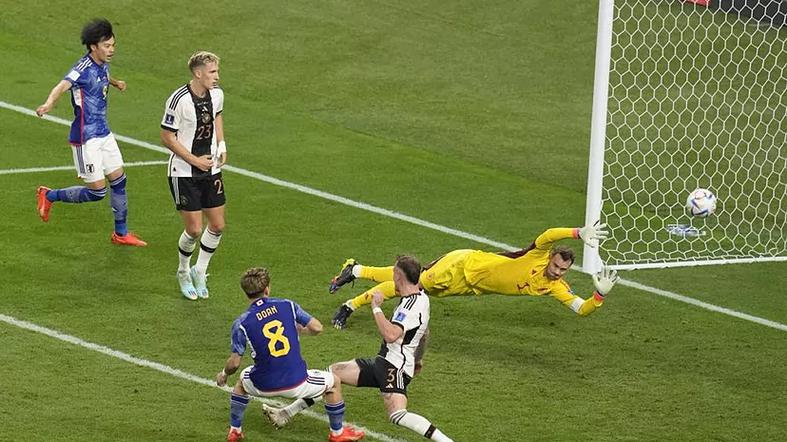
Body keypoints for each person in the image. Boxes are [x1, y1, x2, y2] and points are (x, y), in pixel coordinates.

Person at [264, 256, 453, 442]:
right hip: (386, 361)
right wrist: (418, 358)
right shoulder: (421, 298)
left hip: (394, 368)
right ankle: (285, 414)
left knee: (397, 414)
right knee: (332, 375)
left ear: (397, 276)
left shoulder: (410, 306)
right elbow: (424, 334)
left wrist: (376, 307)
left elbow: (391, 334)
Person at [329, 224, 618, 329]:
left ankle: (354, 270)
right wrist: (578, 233)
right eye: (555, 265)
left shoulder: (555, 288)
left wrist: (599, 296)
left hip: (467, 288)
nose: (556, 271)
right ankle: (350, 305)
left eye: (562, 270)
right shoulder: (538, 254)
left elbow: (580, 308)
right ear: (552, 257)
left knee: (410, 283)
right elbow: (547, 235)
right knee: (410, 287)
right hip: (462, 264)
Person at [215, 267, 365, 442]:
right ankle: (337, 433)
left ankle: (235, 430)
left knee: (241, 383)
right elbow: (317, 327)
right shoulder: (286, 305)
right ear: (267, 289)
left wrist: (224, 374)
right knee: (334, 383)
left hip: (262, 385)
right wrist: (297, 331)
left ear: (246, 293)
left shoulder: (241, 322)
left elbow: (234, 363)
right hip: (297, 383)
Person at [35, 18, 146, 247]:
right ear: (93, 46)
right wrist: (48, 105)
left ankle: (121, 233)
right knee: (96, 193)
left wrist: (116, 83)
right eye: (107, 46)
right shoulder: (81, 69)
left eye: (113, 45)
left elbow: (103, 76)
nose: (111, 50)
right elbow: (62, 85)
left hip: (104, 133)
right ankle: (49, 195)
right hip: (86, 138)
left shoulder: (103, 63)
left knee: (119, 180)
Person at [160, 51, 227, 300]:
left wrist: (221, 145)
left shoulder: (217, 95)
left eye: (217, 71)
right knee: (195, 230)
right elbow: (167, 137)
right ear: (198, 73)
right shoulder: (178, 100)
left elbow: (217, 115)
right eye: (212, 72)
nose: (217, 77)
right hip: (183, 172)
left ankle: (200, 270)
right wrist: (194, 160)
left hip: (211, 168)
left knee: (218, 225)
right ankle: (183, 271)